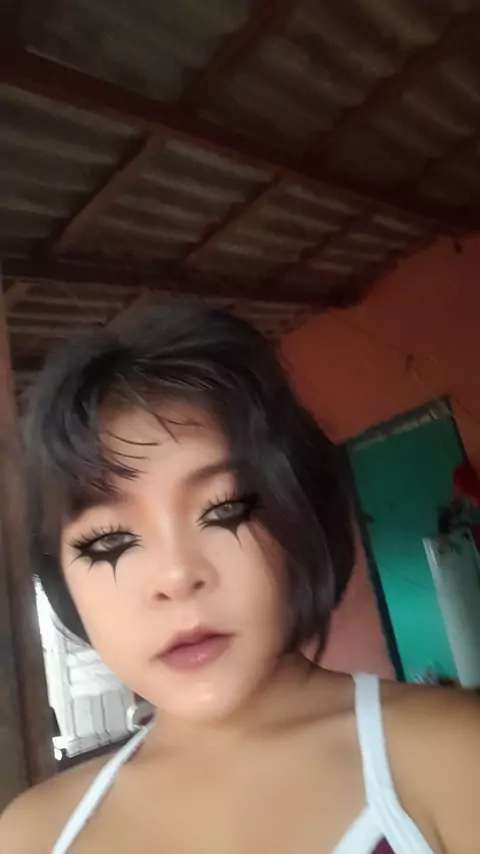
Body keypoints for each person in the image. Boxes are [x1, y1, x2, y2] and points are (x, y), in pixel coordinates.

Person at [0, 300, 478, 854]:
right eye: (109, 541)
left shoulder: (451, 759)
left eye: (225, 509)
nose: (176, 576)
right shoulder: (32, 834)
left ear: (301, 513)